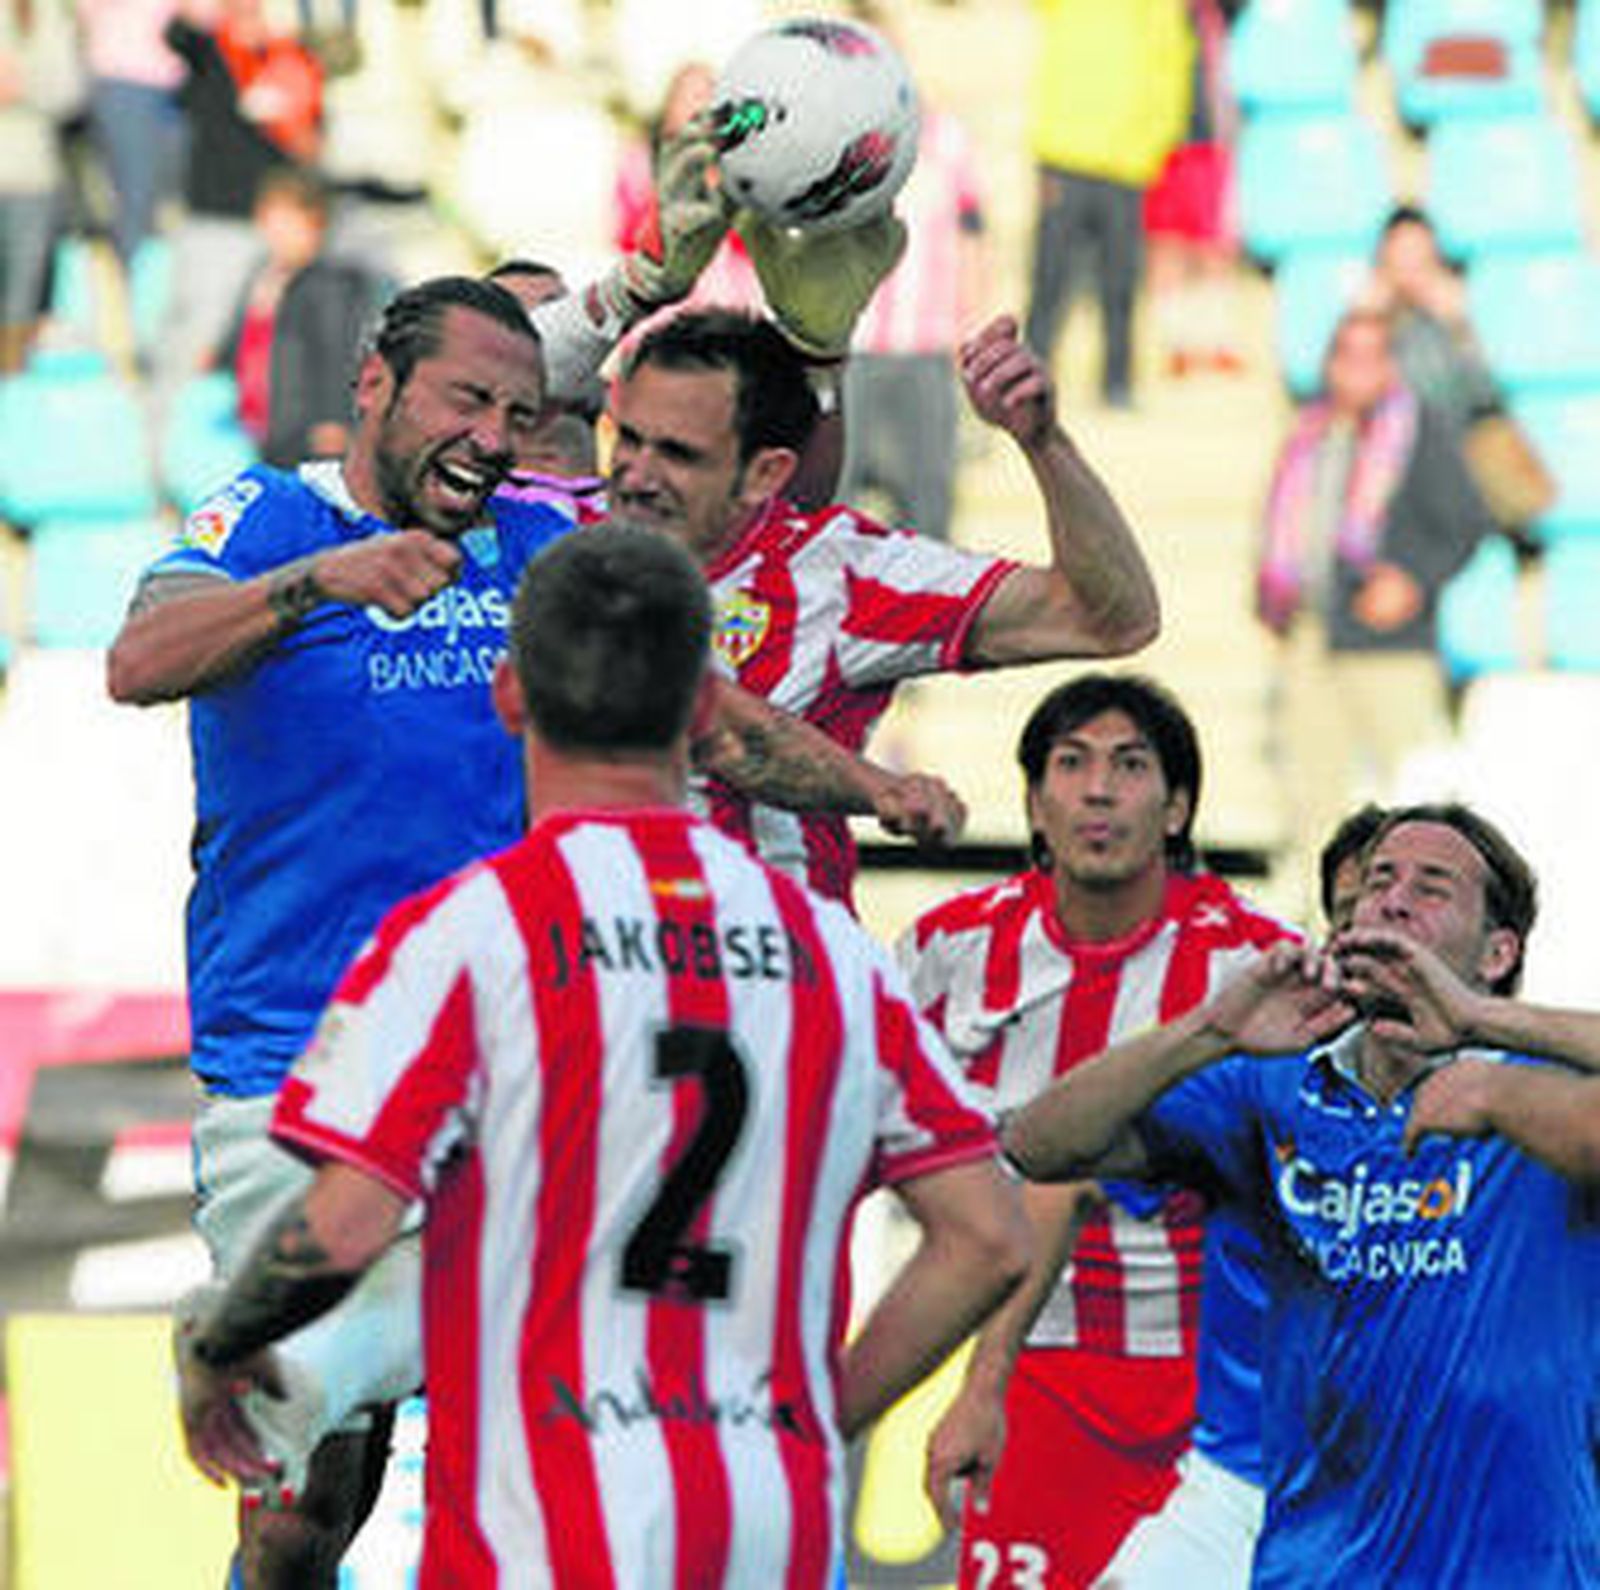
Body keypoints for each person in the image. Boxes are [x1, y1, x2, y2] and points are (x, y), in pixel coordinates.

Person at [107, 271, 959, 1587]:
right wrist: (320, 585)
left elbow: (712, 705)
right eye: (470, 400)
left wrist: (874, 786)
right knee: (311, 1485)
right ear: (375, 388)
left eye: (520, 411)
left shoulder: (532, 542)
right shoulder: (269, 515)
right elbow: (140, 656)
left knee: (522, 1423)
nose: (498, 437)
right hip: (294, 1058)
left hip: (519, 1045)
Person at [174, 522, 1034, 1588]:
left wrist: (217, 1346)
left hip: (547, 1525)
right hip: (762, 1524)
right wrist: (817, 1417)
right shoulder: (830, 952)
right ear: (709, 710)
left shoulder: (474, 936)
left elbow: (343, 1222)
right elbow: (990, 1237)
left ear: (509, 698)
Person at [1003, 802, 1600, 1586]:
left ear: (1497, 951)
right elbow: (1036, 1144)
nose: (1391, 898)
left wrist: (1482, 1036)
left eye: (1432, 887)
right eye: (1381, 879)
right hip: (1315, 1565)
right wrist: (1211, 1030)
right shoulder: (1273, 1088)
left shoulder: (1550, 1093)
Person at [900, 674, 1292, 1590]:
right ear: (1035, 805)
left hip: (1216, 1390)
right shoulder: (944, 954)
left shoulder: (1250, 968)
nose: (1099, 791)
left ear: (1178, 807)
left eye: (1129, 765)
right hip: (1033, 1372)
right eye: (1070, 766)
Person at [606, 306, 1160, 905]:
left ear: (765, 474)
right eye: (628, 440)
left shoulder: (839, 573)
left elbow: (1110, 618)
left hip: (781, 974)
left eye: (677, 455)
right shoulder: (553, 537)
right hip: (580, 967)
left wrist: (1043, 443)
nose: (636, 476)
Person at [1255, 306, 1494, 917]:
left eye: (1371, 356)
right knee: (1312, 789)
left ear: (1390, 366)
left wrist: (1414, 579)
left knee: (1415, 790)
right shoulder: (1309, 433)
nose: (1356, 370)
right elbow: (1280, 526)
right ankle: (1319, 920)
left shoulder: (1419, 432)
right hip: (1313, 630)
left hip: (1391, 640)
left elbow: (1467, 522)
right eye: (1345, 355)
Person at [1022, 0, 1193, 408]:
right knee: (1049, 278)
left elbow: (1174, 68)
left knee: (1120, 284)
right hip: (1063, 154)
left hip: (1127, 163)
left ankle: (1117, 384)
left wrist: (1155, 145)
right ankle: (1027, 381)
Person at [216, 165, 391, 468]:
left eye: (288, 225)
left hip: (309, 433)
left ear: (315, 224)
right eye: (271, 223)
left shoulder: (330, 283)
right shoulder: (262, 276)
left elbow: (343, 352)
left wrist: (335, 417)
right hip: (265, 428)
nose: (278, 236)